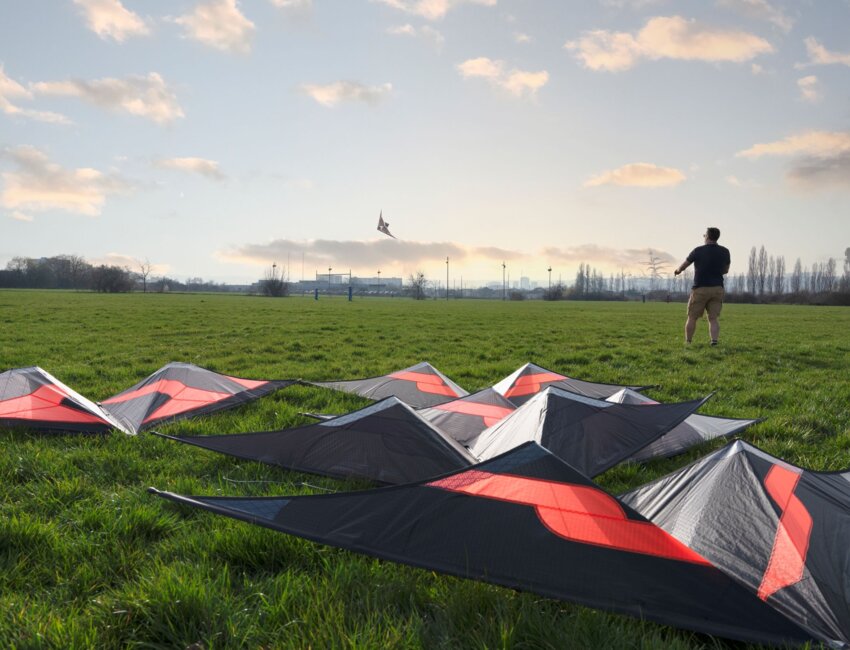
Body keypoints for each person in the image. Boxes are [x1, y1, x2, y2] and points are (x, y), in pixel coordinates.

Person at [673, 227, 731, 346]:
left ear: (708, 236)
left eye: (705, 235)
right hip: (717, 289)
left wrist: (678, 270)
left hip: (700, 288)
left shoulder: (698, 251)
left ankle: (688, 342)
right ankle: (714, 342)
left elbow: (685, 264)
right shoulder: (725, 251)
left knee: (692, 317)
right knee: (713, 318)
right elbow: (726, 270)